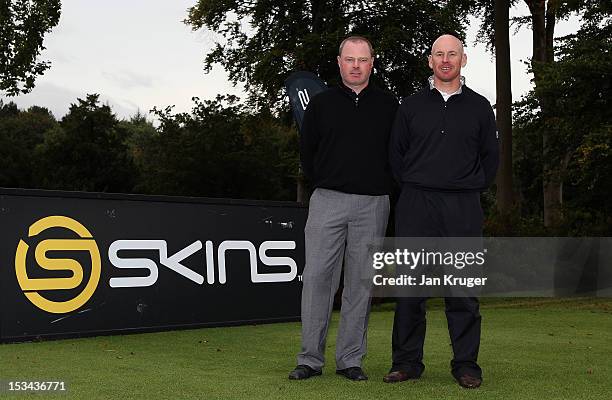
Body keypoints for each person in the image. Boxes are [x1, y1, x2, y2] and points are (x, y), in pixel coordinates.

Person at [383, 34, 499, 388]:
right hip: (416, 205)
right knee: (410, 291)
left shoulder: (480, 107)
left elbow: (490, 159)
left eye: (453, 54)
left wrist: (464, 186)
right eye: (439, 54)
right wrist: (420, 184)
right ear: (429, 60)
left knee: (462, 291)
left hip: (462, 207)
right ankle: (406, 363)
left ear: (464, 60)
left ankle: (466, 365)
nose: (445, 59)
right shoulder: (411, 105)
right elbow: (395, 156)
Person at [288, 36, 398, 381]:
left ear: (372, 62)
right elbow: (308, 152)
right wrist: (328, 180)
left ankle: (351, 360)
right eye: (349, 59)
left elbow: (398, 153)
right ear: (339, 62)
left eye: (362, 59)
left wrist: (383, 187)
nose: (355, 65)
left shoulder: (389, 105)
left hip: (374, 203)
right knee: (318, 278)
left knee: (360, 285)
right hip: (328, 201)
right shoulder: (321, 104)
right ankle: (309, 359)